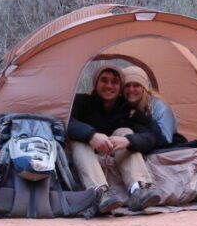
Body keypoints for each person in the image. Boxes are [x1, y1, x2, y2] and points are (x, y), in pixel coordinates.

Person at [67, 63, 164, 213]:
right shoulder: (82, 102)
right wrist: (91, 135)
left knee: (124, 131)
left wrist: (129, 140)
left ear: (120, 87)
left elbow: (154, 135)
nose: (109, 85)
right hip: (86, 152)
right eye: (104, 80)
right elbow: (65, 121)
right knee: (78, 141)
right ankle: (100, 192)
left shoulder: (127, 110)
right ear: (96, 83)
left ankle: (139, 189)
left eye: (114, 82)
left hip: (115, 151)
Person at [121, 66, 179, 146]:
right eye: (127, 85)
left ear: (144, 88)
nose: (131, 89)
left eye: (136, 85)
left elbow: (165, 140)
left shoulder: (159, 107)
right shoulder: (122, 105)